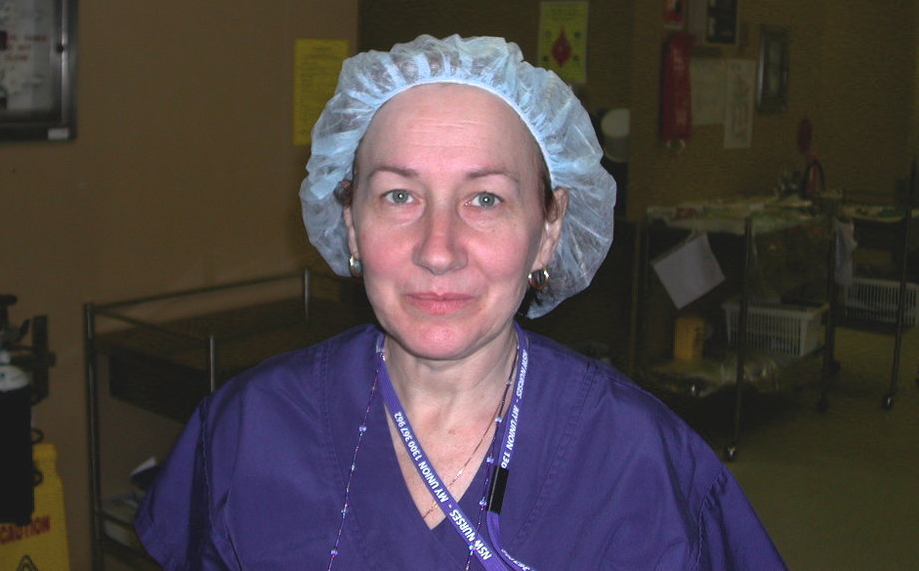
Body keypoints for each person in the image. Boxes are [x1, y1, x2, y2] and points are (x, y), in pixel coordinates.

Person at [135, 35, 787, 570]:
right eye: (398, 195)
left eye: (485, 199)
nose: (438, 249)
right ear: (350, 224)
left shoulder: (641, 463)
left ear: (549, 229)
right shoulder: (248, 431)